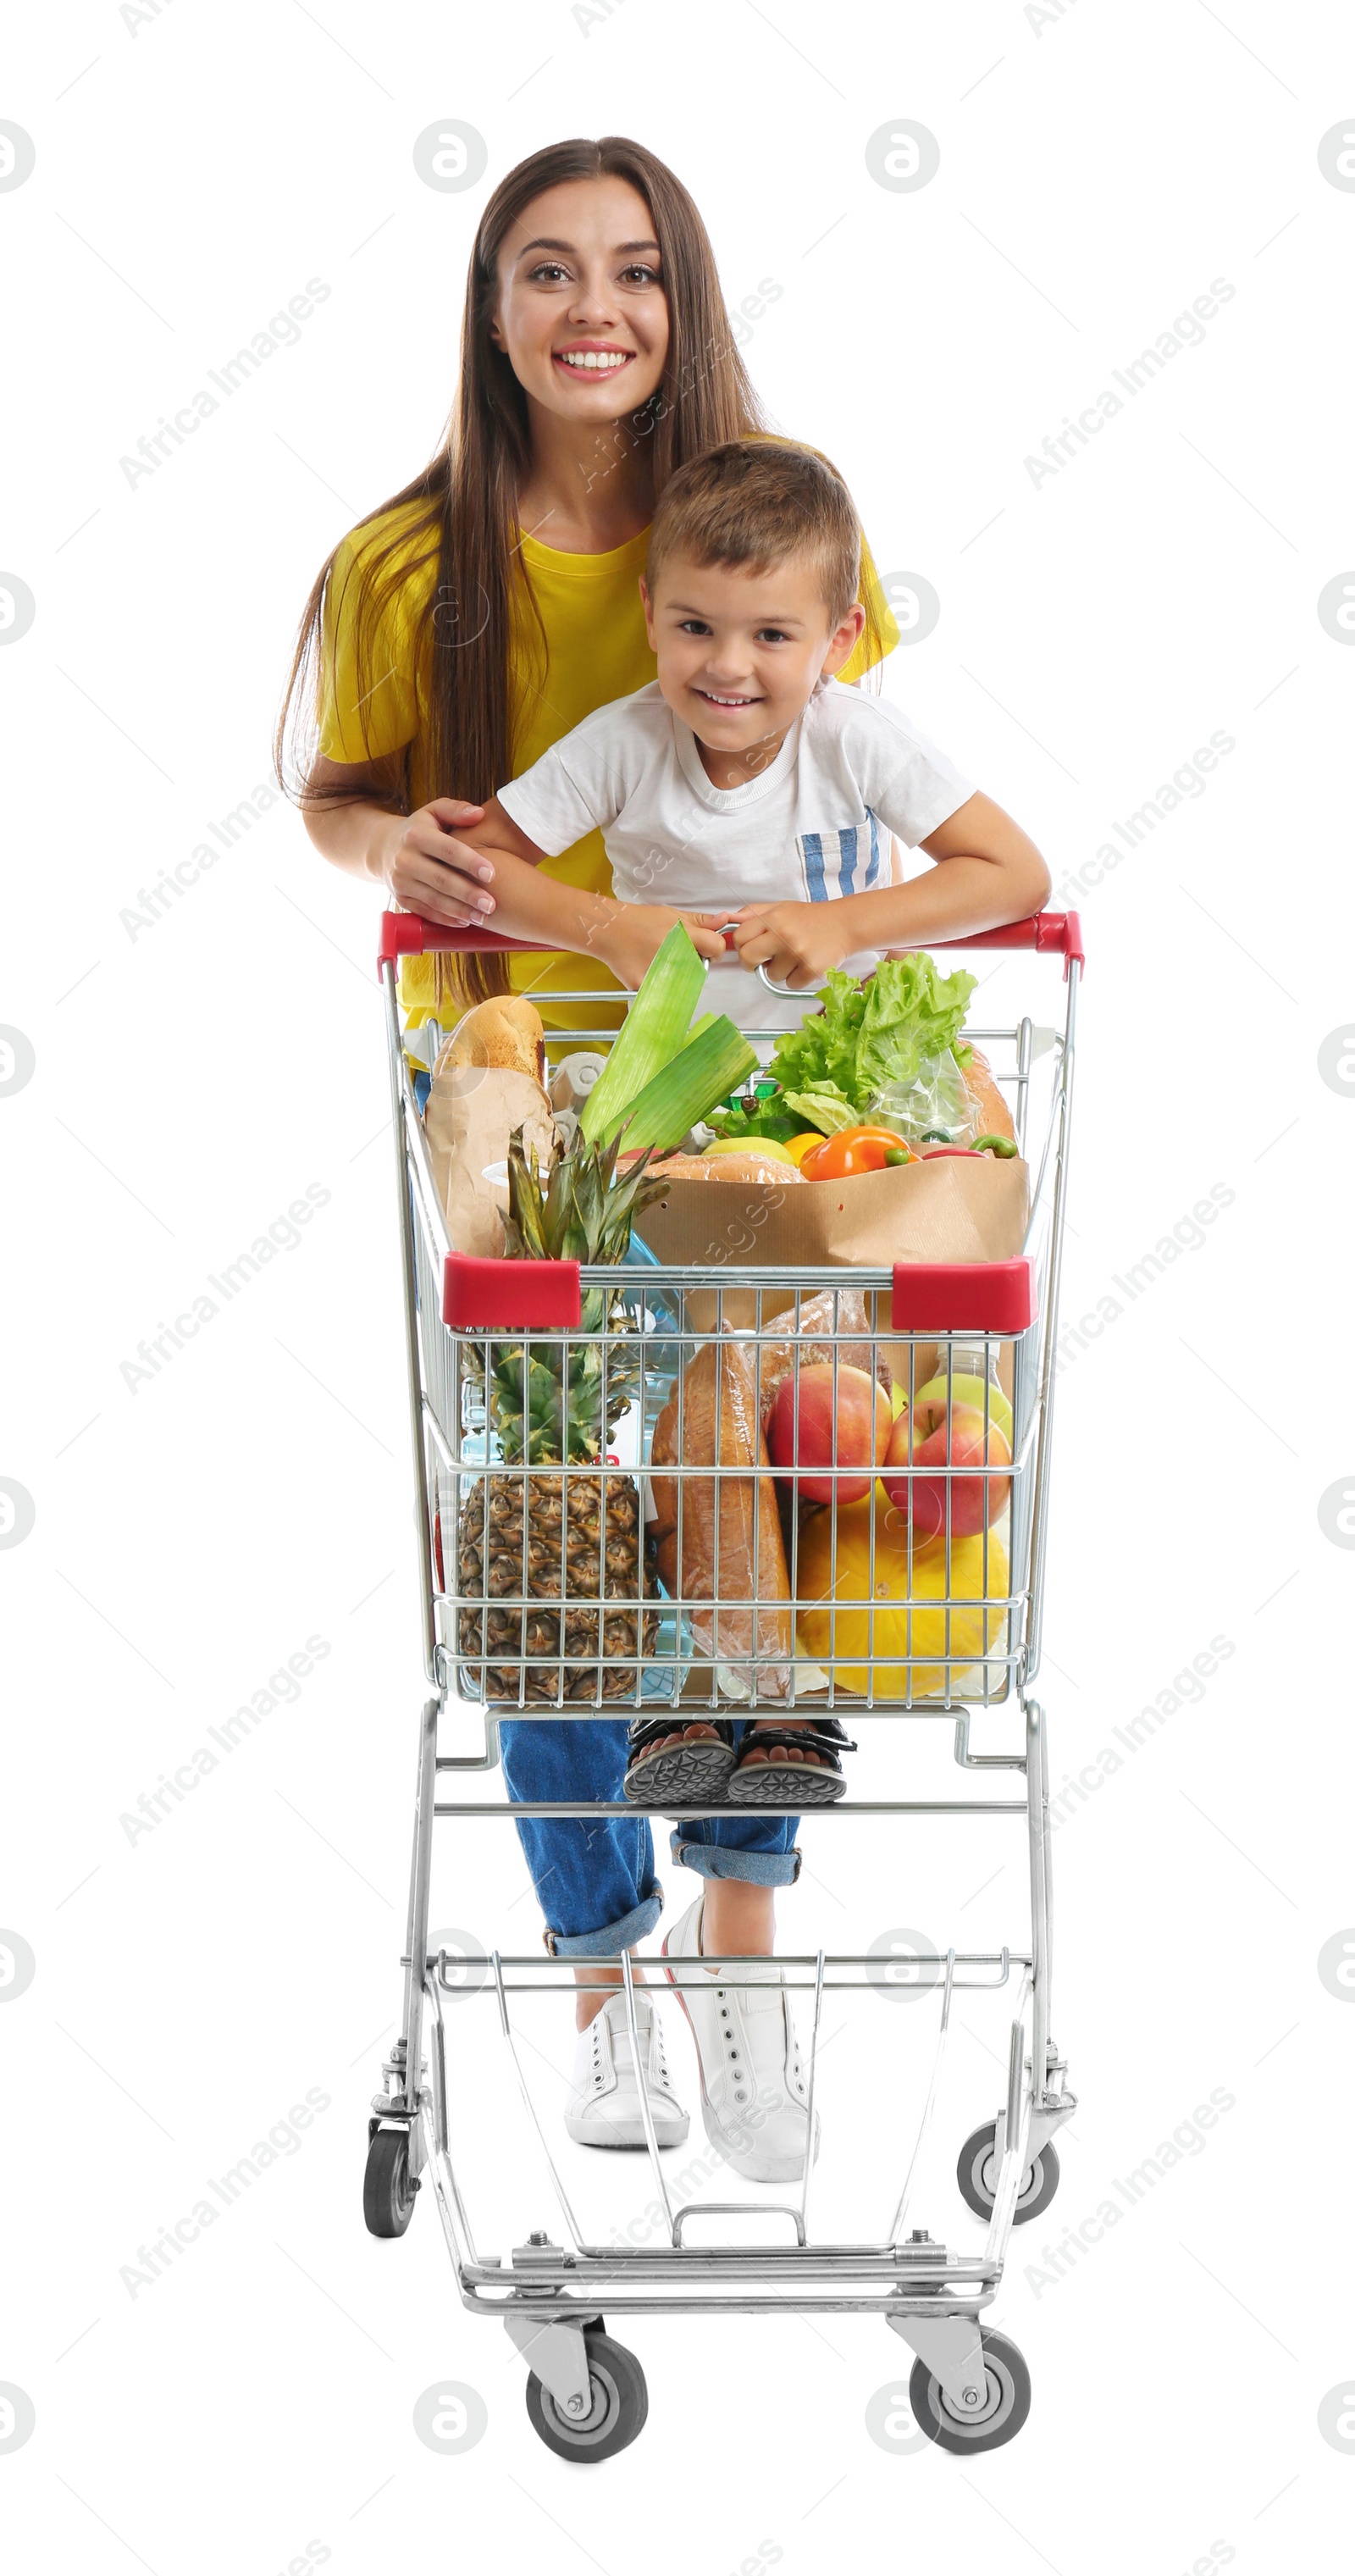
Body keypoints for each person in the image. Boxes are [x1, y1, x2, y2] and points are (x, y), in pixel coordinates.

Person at [279, 136, 969, 2185]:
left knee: (737, 1493)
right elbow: (343, 802)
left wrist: (836, 953)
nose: (597, 310)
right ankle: (608, 1988)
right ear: (491, 308)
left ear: (685, 306)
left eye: (639, 273)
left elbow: (855, 779)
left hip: (747, 1126)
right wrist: (383, 846)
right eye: (548, 270)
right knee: (550, 1541)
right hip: (522, 1112)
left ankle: (743, 1963)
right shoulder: (407, 566)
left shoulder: (763, 518)